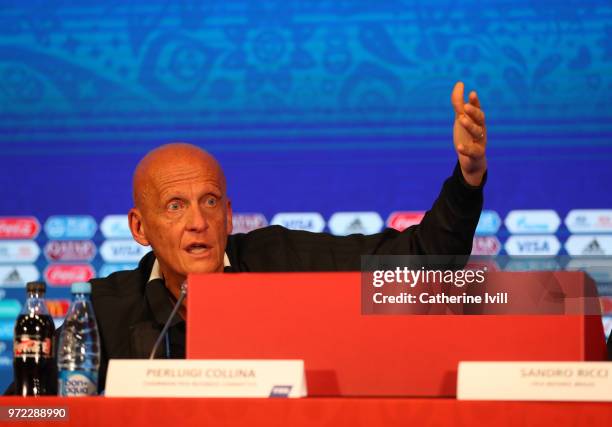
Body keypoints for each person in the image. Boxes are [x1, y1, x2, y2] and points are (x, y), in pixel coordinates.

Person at [6, 82, 489, 395]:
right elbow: (27, 411)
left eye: (210, 201)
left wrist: (467, 179)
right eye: (175, 207)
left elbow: (422, 260)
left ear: (229, 214)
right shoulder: (106, 311)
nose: (198, 221)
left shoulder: (283, 260)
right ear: (139, 228)